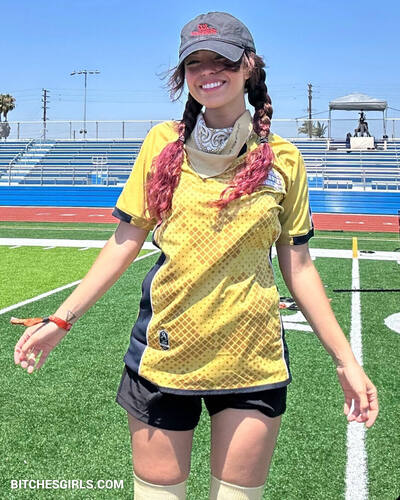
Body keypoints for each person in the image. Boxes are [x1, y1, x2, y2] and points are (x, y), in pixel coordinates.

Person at [14, 12, 378, 500]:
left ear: (249, 66)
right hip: (164, 355)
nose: (208, 72)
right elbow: (125, 242)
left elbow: (299, 266)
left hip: (253, 358)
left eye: (221, 60)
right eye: (194, 63)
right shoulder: (161, 144)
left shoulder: (285, 159)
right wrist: (61, 320)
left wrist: (345, 360)